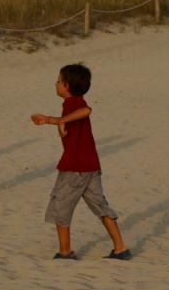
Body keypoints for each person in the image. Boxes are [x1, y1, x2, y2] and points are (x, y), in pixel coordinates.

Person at [31, 63, 131, 261]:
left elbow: (86, 110)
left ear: (67, 85)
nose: (56, 83)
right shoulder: (69, 106)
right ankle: (120, 248)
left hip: (74, 167)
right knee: (100, 205)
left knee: (61, 206)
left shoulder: (73, 103)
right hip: (90, 166)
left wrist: (53, 120)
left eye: (59, 80)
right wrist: (61, 123)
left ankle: (65, 252)